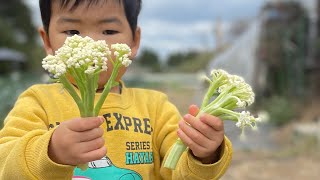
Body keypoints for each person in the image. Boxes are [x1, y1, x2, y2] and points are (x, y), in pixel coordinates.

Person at [0, 0, 232, 179]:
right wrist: (50, 151)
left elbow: (179, 172)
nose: (91, 43)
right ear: (47, 42)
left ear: (134, 41)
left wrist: (204, 154)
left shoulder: (155, 107)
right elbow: (5, 166)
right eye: (72, 32)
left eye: (109, 32)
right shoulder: (37, 101)